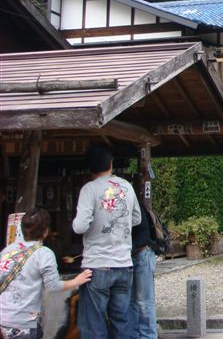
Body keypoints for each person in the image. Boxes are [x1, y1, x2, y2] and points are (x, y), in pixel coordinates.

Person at [72, 144, 141, 339]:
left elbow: (79, 227)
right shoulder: (126, 187)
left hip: (97, 265)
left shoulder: (89, 189)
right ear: (111, 163)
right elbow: (137, 219)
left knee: (94, 325)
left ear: (89, 167)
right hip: (124, 265)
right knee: (121, 322)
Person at [0, 208, 92, 338]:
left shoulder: (7, 251)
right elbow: (53, 286)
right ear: (45, 232)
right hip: (24, 323)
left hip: (3, 320)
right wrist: (77, 281)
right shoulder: (44, 253)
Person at [123, 190, 158, 339]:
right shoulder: (133, 205)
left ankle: (148, 335)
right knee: (131, 301)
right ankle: (134, 335)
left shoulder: (135, 208)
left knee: (144, 301)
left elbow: (140, 236)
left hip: (142, 254)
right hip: (132, 256)